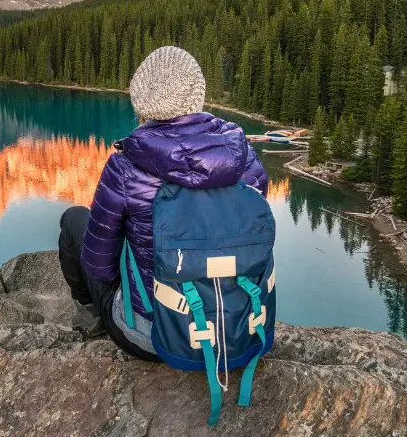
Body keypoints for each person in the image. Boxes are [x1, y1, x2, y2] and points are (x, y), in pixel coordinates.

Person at [58, 46, 269, 359]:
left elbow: (98, 265)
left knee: (73, 220)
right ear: (197, 95)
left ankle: (91, 317)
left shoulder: (125, 168)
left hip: (151, 336)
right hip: (237, 329)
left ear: (143, 102)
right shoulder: (242, 156)